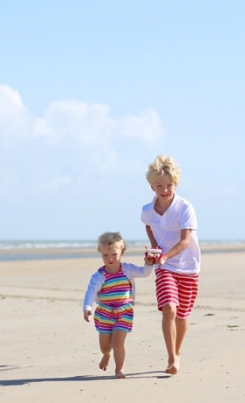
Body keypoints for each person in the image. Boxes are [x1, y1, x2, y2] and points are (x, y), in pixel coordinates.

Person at [140, 155, 201, 375]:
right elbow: (148, 226)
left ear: (175, 184)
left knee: (183, 315)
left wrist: (165, 256)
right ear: (152, 186)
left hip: (188, 266)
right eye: (159, 186)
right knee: (169, 309)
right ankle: (171, 358)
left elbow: (185, 241)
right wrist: (155, 249)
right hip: (165, 268)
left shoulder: (185, 208)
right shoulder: (148, 209)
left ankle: (178, 351)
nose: (164, 190)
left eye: (169, 185)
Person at [83, 232, 155, 379]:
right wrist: (87, 307)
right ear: (101, 254)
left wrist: (148, 264)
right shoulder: (99, 276)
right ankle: (106, 355)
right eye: (105, 255)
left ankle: (119, 369)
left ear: (122, 252)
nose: (110, 259)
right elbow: (90, 291)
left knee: (117, 343)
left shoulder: (127, 269)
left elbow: (144, 272)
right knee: (104, 346)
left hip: (124, 312)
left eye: (114, 254)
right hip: (104, 313)